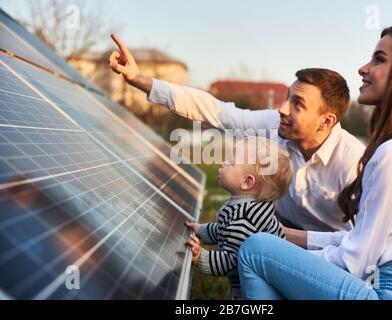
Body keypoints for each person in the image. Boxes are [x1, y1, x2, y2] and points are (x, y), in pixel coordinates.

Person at [236, 24, 392, 300]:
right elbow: (365, 238)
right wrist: (285, 236)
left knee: (256, 250)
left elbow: (356, 261)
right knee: (270, 246)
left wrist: (285, 261)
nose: (363, 68)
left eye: (379, 59)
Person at [108, 34, 366, 233]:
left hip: (328, 254)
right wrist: (138, 79)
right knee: (242, 218)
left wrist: (284, 237)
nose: (282, 108)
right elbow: (214, 110)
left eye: (297, 104)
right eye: (287, 97)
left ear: (326, 121)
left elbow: (360, 242)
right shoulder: (274, 125)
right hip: (278, 230)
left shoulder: (354, 162)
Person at [184, 136, 292, 298]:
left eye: (230, 163)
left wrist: (202, 257)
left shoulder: (245, 219)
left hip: (256, 288)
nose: (223, 163)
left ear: (247, 182)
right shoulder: (245, 206)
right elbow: (225, 229)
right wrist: (201, 230)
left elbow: (233, 261)